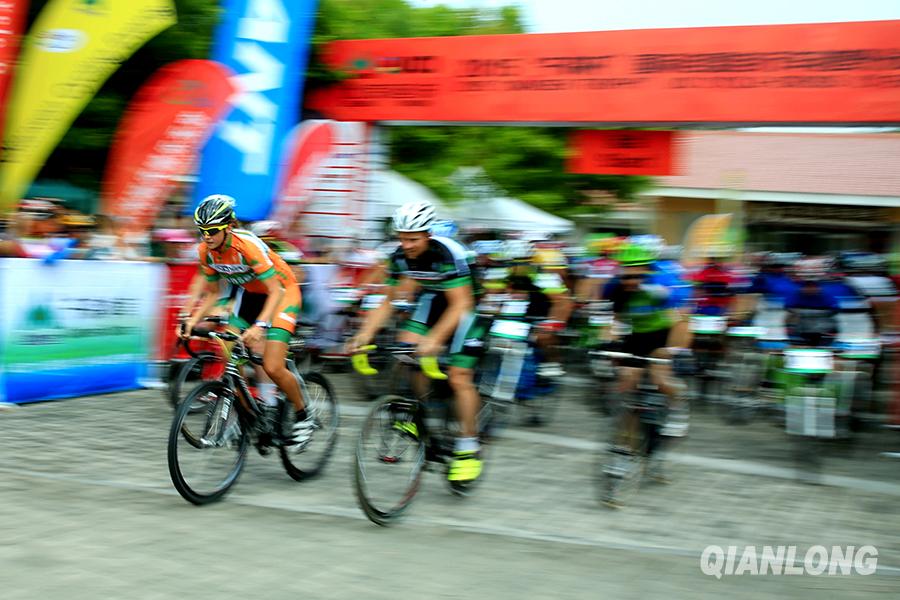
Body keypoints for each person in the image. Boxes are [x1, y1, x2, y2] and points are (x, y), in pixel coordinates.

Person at [346, 200, 486, 485]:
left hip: (465, 306)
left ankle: (468, 447)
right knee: (406, 352)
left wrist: (435, 339)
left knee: (459, 377)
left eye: (413, 239)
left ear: (428, 235)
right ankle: (416, 412)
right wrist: (365, 333)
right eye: (402, 238)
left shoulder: (448, 254)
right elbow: (390, 300)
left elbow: (460, 305)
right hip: (433, 299)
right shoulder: (399, 256)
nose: (406, 245)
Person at [178, 194, 314, 448]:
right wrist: (190, 319)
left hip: (282, 294)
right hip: (251, 295)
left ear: (229, 226)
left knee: (273, 365)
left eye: (213, 230)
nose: (207, 236)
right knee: (227, 347)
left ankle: (303, 415)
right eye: (202, 230)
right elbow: (212, 293)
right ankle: (248, 412)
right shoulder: (206, 251)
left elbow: (276, 291)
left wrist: (260, 326)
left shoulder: (247, 246)